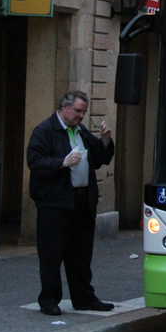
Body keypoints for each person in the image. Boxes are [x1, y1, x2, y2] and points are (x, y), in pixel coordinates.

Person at [27, 90, 116, 316]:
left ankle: (84, 297)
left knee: (81, 253)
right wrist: (61, 162)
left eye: (84, 112)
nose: (81, 116)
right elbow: (35, 162)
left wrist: (105, 141)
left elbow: (99, 159)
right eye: (77, 111)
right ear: (63, 108)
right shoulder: (45, 130)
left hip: (82, 201)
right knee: (52, 253)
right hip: (55, 203)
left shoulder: (81, 132)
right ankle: (49, 299)